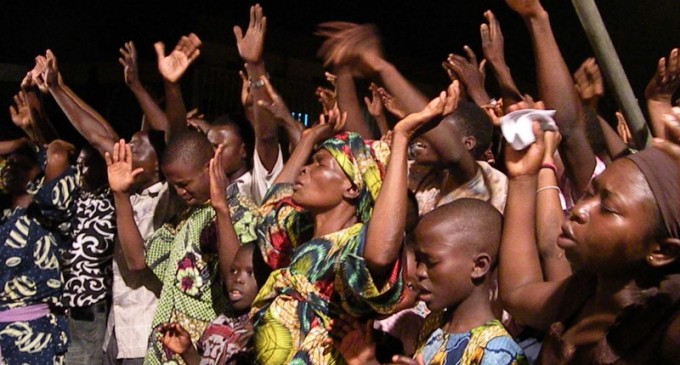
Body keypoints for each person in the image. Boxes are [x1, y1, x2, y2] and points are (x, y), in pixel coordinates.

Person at [106, 130, 259, 365]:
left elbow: (234, 284)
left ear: (210, 168)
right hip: (165, 355)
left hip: (202, 355)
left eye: (184, 184)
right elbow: (138, 260)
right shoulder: (189, 216)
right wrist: (121, 195)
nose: (179, 192)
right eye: (174, 185)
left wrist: (221, 209)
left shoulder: (243, 214)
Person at [0, 140, 77, 365]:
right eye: (9, 163)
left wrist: (27, 139)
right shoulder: (4, 220)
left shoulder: (47, 216)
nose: (11, 168)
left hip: (34, 336)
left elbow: (57, 156)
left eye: (22, 165)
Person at [159, 242, 270, 365]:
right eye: (233, 270)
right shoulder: (217, 325)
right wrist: (188, 351)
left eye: (250, 273)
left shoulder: (266, 333)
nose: (238, 278)